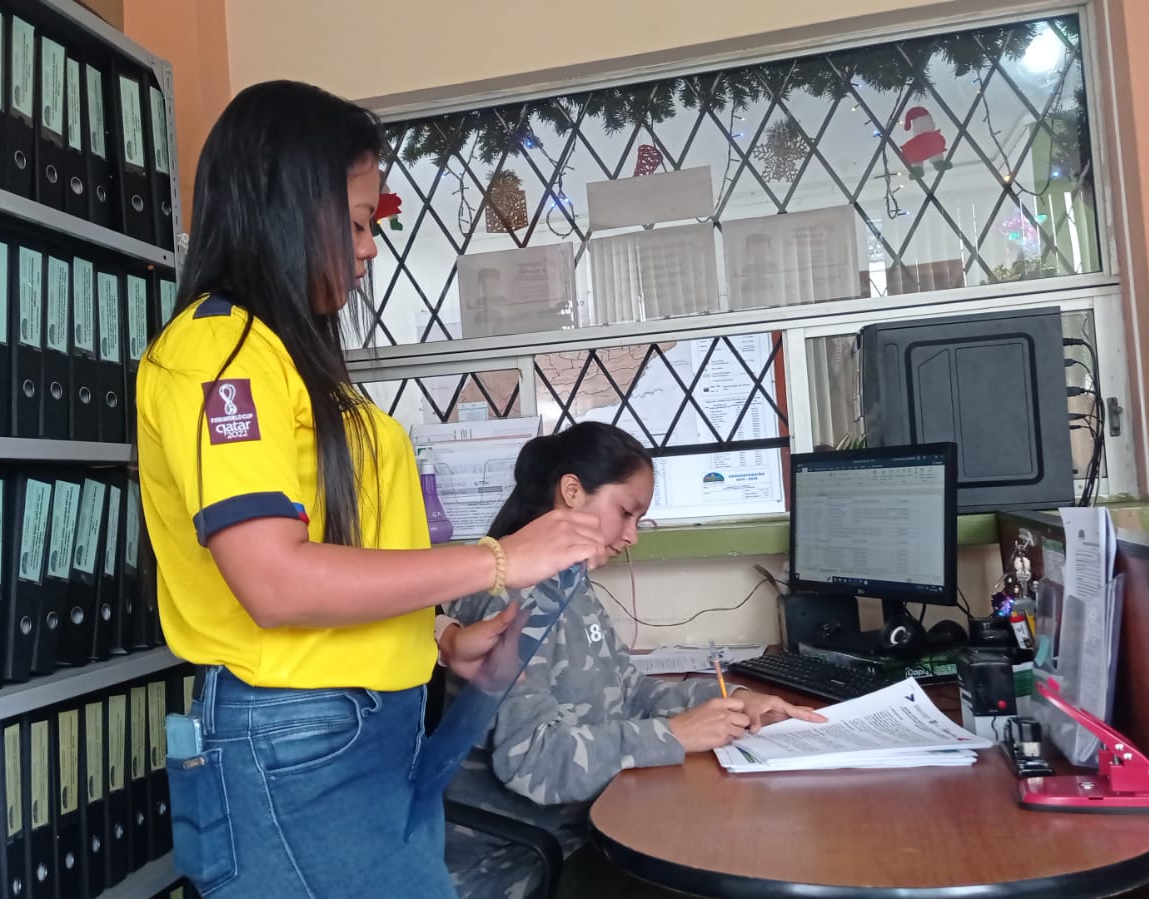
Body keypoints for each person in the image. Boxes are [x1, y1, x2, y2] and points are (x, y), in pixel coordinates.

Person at [135, 80, 608, 899]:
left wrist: (436, 637)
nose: (368, 250)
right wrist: (498, 558)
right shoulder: (219, 357)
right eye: (356, 223)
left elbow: (338, 555)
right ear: (287, 210)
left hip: (362, 730)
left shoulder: (286, 360)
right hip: (299, 740)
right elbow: (275, 580)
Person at [441, 422, 824, 899]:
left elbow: (631, 692)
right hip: (523, 863)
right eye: (626, 512)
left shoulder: (570, 586)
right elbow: (534, 761)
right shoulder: (507, 600)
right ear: (572, 492)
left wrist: (734, 700)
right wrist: (675, 735)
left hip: (589, 827)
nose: (631, 536)